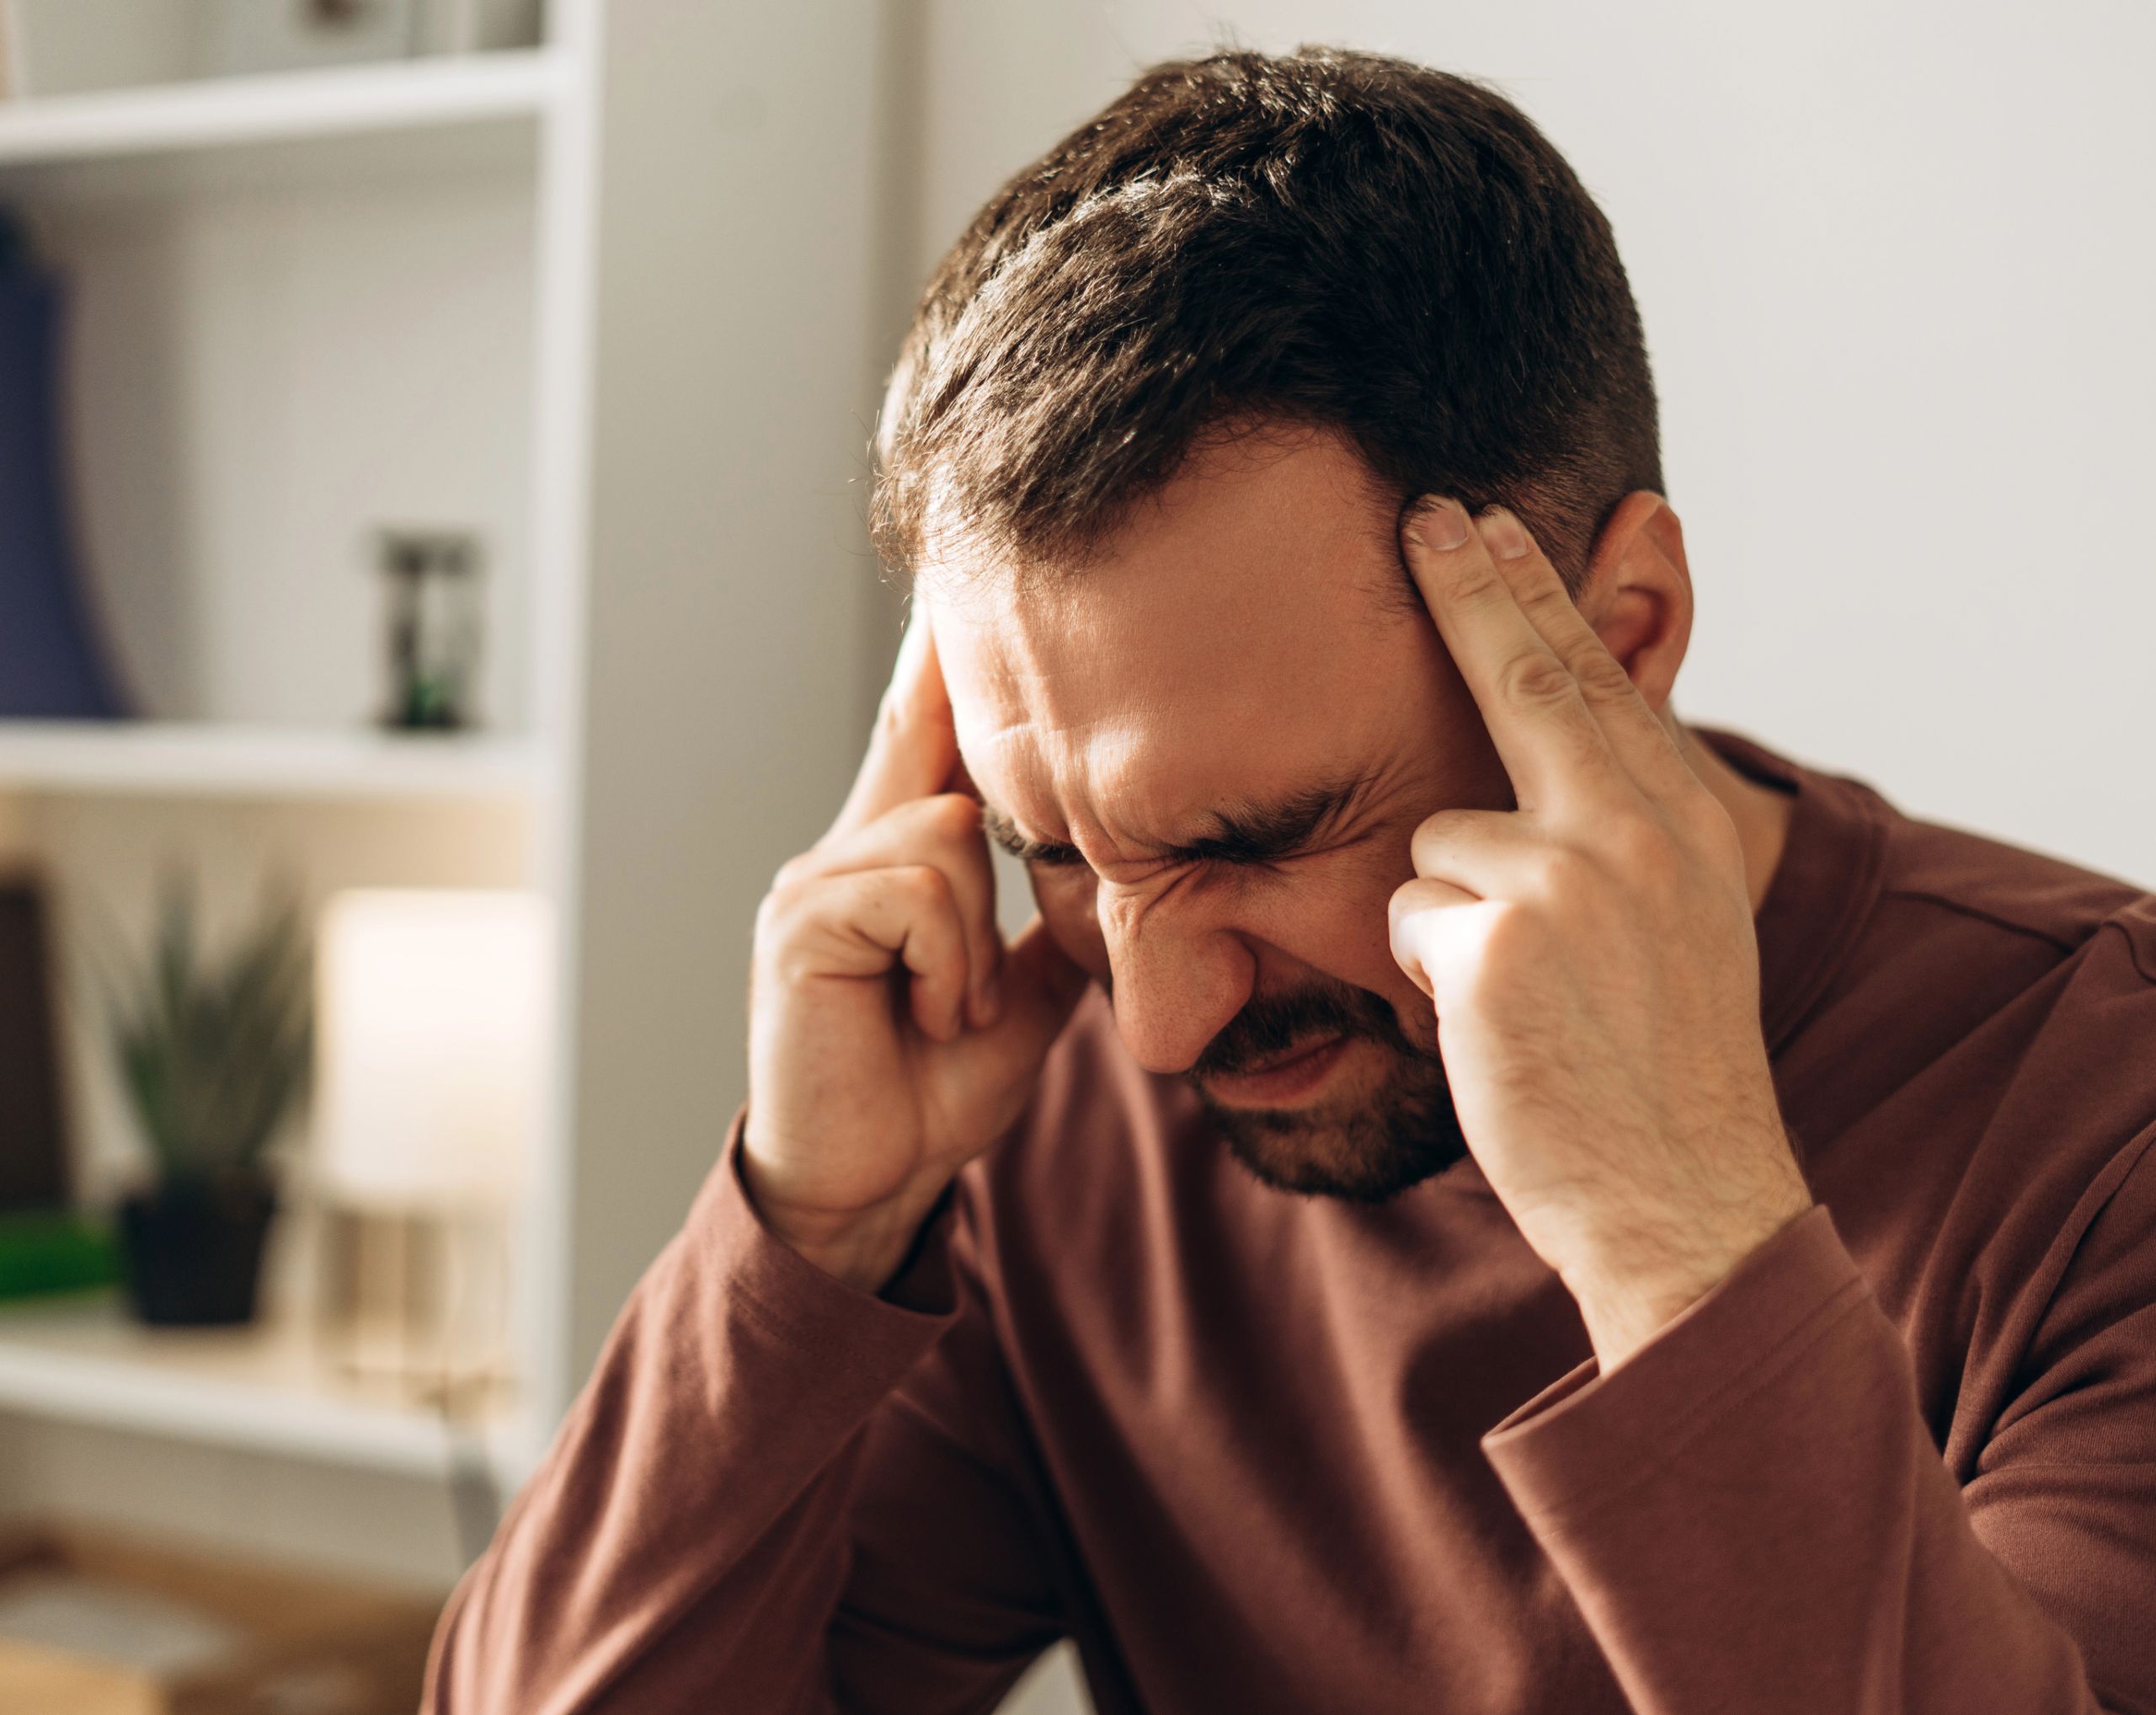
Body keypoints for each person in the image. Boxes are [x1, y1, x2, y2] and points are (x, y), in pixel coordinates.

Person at [423, 47, 2156, 1714]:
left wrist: (1676, 1238)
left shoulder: (2102, 1120)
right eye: (1058, 854)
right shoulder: (1053, 1111)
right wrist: (809, 1230)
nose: (1164, 1027)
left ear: (1613, 638)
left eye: (1249, 839)